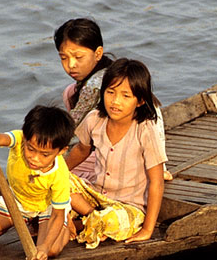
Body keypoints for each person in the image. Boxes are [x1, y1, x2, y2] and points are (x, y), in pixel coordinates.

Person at [53, 17, 171, 182]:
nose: (71, 64)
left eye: (78, 57)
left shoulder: (95, 86)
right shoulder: (113, 72)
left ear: (98, 53)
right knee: (70, 92)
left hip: (135, 158)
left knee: (57, 167)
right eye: (64, 58)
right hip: (152, 153)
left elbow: (70, 133)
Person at [66, 58, 167, 249]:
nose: (115, 101)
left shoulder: (145, 130)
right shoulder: (95, 119)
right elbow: (81, 150)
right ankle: (88, 217)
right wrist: (58, 172)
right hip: (96, 195)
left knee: (113, 221)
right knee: (56, 181)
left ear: (140, 100)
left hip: (127, 206)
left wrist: (147, 229)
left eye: (125, 96)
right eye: (110, 92)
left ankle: (76, 223)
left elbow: (157, 181)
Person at [0, 105, 75, 260]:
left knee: (51, 250)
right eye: (31, 149)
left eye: (44, 155)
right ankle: (22, 221)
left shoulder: (59, 174)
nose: (35, 158)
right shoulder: (19, 140)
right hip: (16, 200)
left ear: (61, 151)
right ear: (25, 139)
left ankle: (65, 226)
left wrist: (44, 247)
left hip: (47, 207)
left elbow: (57, 215)